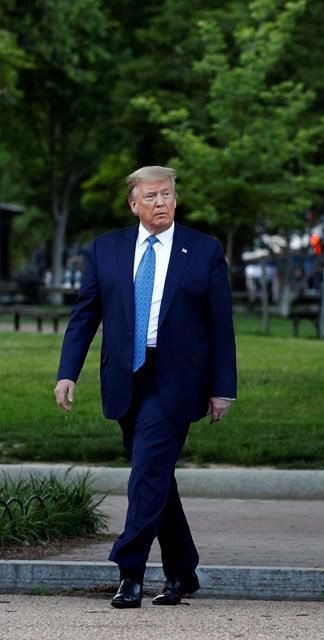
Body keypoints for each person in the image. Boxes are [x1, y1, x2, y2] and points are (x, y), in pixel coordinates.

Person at [53, 165, 237, 609]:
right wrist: (67, 372)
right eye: (151, 196)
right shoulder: (106, 250)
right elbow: (85, 316)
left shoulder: (204, 250)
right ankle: (182, 571)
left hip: (178, 379)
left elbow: (220, 326)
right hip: (126, 376)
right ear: (134, 203)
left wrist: (222, 388)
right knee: (156, 476)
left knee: (147, 471)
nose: (161, 203)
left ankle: (129, 570)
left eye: (168, 195)